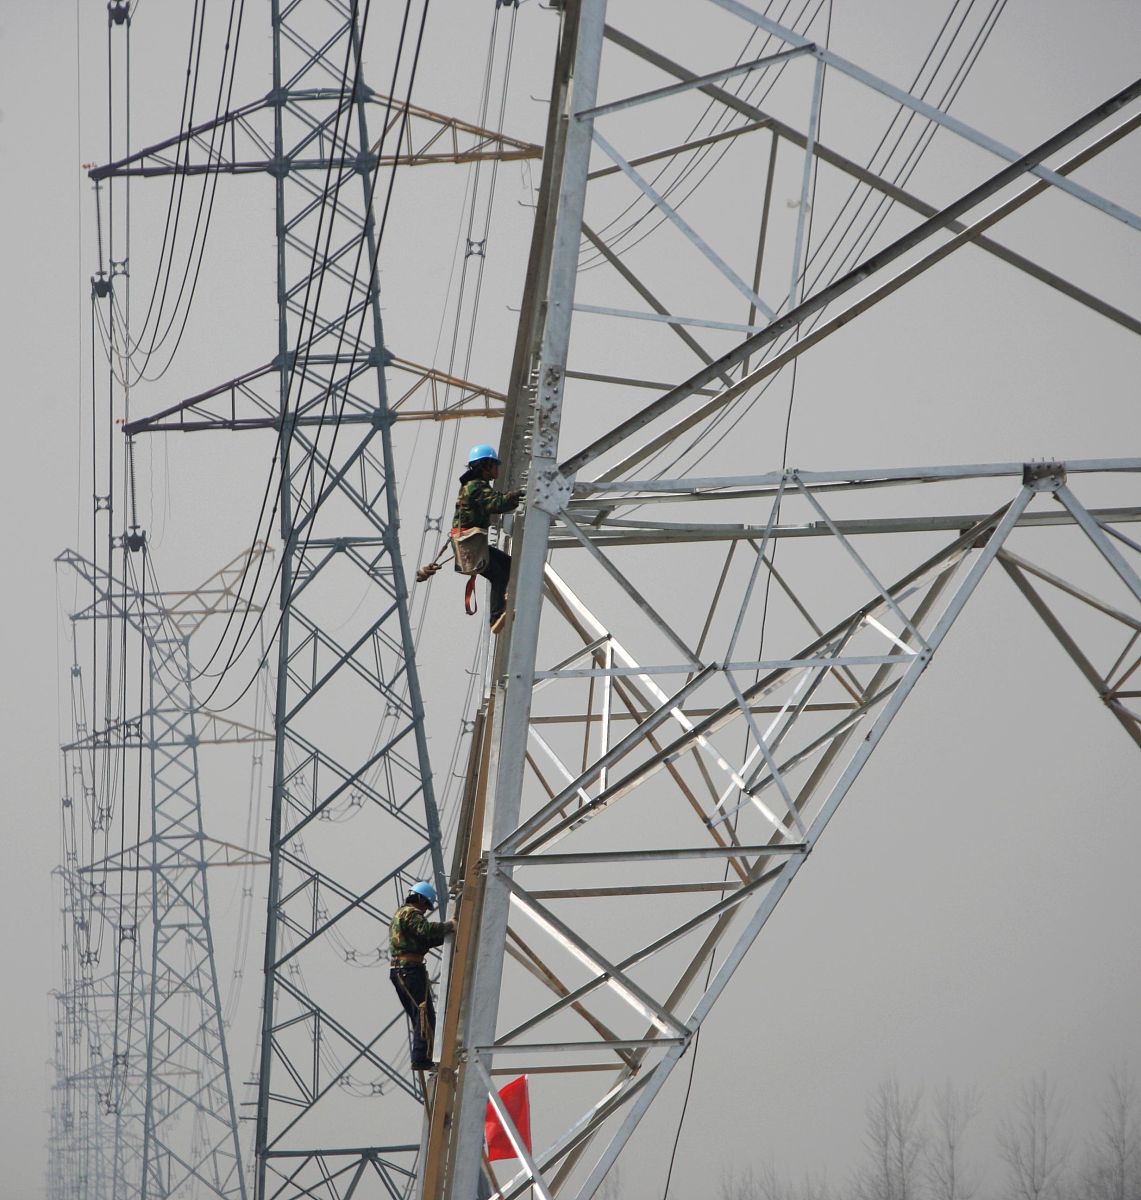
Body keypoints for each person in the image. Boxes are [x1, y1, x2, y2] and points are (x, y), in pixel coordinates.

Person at [451, 445, 522, 634]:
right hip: (468, 544)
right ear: (484, 466)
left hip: (473, 542)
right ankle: (496, 616)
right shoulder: (475, 486)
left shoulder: (478, 486)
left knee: (509, 566)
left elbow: (495, 499)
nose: (497, 469)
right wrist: (515, 496)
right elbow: (495, 503)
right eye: (494, 465)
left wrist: (511, 497)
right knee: (498, 575)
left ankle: (502, 604)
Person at [388, 881, 454, 1072]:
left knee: (420, 1016)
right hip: (409, 970)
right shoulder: (410, 913)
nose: (426, 910)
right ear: (420, 899)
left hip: (404, 969)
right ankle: (422, 1058)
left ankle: (423, 1056)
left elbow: (425, 939)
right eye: (426, 905)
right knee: (424, 1015)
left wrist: (447, 936)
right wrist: (448, 926)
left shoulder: (403, 915)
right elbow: (424, 930)